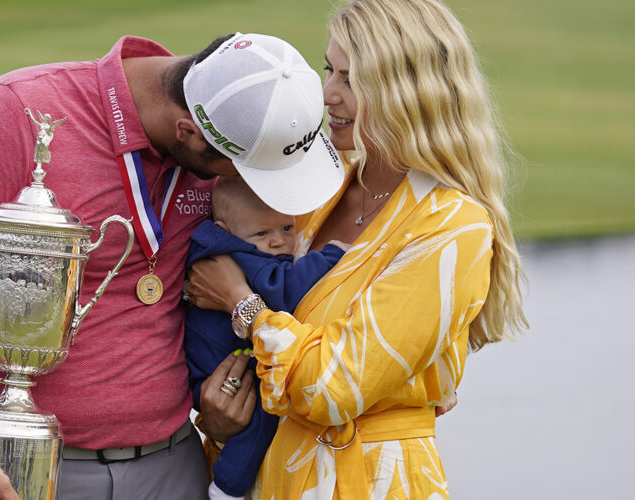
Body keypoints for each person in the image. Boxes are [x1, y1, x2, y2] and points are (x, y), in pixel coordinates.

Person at [0, 33, 344, 499]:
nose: (252, 187)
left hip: (176, 461)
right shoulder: (14, 116)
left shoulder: (231, 120)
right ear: (188, 133)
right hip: (25, 468)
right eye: (245, 170)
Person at [186, 1, 528, 498]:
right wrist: (220, 421)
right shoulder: (317, 193)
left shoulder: (452, 226)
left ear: (408, 92)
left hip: (369, 481)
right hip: (273, 474)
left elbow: (331, 386)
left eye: (350, 79)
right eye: (329, 70)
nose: (327, 94)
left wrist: (243, 304)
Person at [184, 177, 348, 499]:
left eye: (287, 228)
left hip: (208, 358)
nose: (278, 242)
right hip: (221, 364)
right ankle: (227, 488)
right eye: (262, 233)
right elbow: (282, 290)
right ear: (224, 227)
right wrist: (332, 256)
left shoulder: (222, 243)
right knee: (265, 415)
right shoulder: (240, 254)